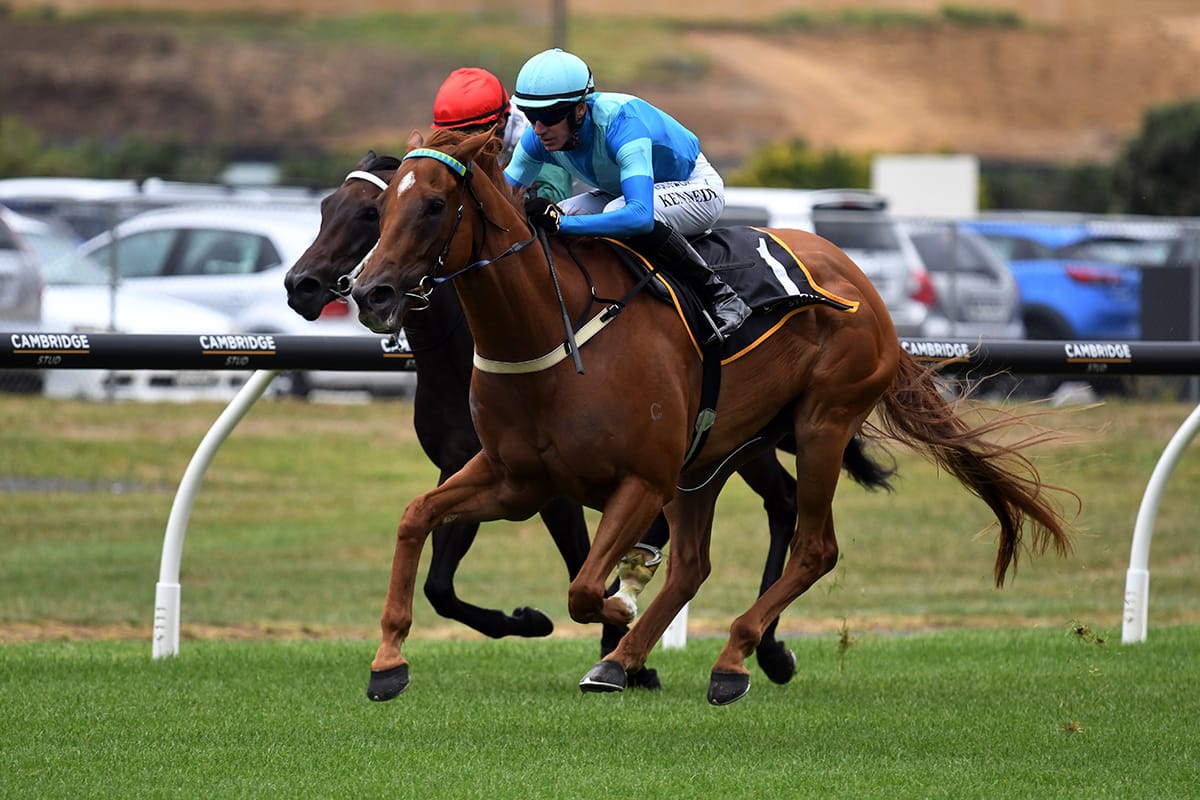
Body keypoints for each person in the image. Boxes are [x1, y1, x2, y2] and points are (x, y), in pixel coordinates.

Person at [503, 48, 750, 344]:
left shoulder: (621, 123)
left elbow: (639, 216)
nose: (539, 128)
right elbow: (503, 199)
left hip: (695, 185)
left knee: (603, 214)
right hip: (622, 190)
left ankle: (722, 296)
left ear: (580, 108)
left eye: (549, 116)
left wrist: (561, 224)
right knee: (560, 213)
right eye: (531, 116)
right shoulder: (536, 137)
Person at [430, 66, 573, 204]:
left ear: (500, 121)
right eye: (452, 135)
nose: (462, 145)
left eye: (468, 135)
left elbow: (554, 196)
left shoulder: (539, 133)